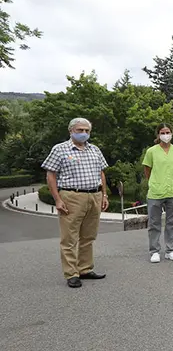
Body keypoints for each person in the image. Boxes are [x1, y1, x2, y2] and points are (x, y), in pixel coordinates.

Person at [41, 117, 109, 288]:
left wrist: (105, 194)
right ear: (71, 131)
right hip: (72, 196)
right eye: (80, 130)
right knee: (69, 238)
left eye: (87, 131)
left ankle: (85, 268)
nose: (84, 133)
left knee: (88, 236)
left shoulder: (94, 149)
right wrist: (57, 199)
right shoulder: (60, 149)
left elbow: (101, 173)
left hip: (94, 196)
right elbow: (51, 175)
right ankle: (71, 273)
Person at [142, 123, 173, 263]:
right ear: (158, 134)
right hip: (156, 191)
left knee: (172, 222)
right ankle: (154, 251)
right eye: (163, 132)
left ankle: (170, 249)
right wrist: (154, 182)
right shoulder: (151, 151)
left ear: (172, 133)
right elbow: (147, 169)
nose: (165, 135)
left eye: (168, 132)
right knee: (154, 222)